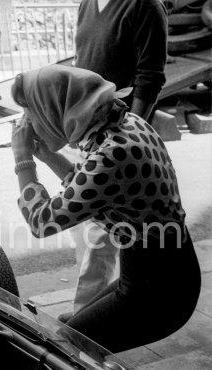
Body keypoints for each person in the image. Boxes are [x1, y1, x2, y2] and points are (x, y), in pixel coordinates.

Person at [10, 65, 201, 353]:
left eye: (32, 114)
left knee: (67, 348)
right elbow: (89, 186)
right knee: (72, 329)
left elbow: (42, 222)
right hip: (161, 269)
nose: (29, 123)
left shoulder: (113, 154)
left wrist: (23, 159)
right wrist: (47, 153)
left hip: (160, 290)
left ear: (56, 109)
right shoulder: (122, 124)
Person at [65, 0, 169, 318]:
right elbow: (83, 64)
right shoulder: (87, 4)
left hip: (114, 142)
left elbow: (149, 80)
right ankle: (92, 313)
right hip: (82, 133)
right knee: (83, 231)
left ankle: (82, 330)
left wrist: (123, 138)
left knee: (101, 242)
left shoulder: (145, 6)